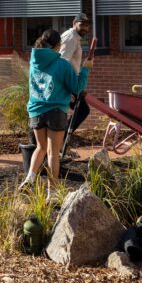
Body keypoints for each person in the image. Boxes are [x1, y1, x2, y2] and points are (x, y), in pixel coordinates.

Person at [21, 30, 90, 187]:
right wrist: (85, 69)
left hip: (36, 110)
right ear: (58, 46)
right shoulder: (62, 64)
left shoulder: (34, 62)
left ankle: (29, 179)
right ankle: (52, 192)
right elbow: (77, 87)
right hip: (56, 111)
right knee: (53, 153)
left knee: (40, 147)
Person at [57, 13, 92, 149]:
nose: (85, 28)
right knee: (82, 110)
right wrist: (68, 89)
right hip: (67, 84)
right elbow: (62, 62)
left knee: (80, 110)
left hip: (72, 82)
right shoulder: (70, 37)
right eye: (81, 24)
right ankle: (61, 138)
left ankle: (62, 140)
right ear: (74, 23)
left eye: (87, 26)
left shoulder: (75, 38)